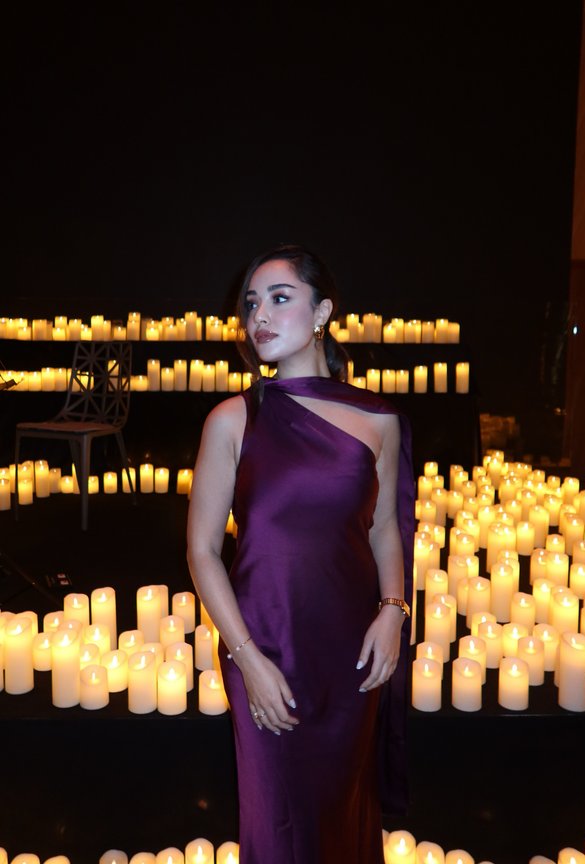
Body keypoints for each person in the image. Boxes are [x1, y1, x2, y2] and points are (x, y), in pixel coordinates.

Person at [187, 244, 414, 864]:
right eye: (252, 303)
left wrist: (393, 610)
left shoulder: (379, 420)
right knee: (280, 825)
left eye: (279, 298)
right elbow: (203, 551)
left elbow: (386, 527)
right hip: (262, 646)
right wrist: (247, 659)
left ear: (323, 312)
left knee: (343, 815)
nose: (259, 315)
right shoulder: (234, 419)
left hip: (352, 654)